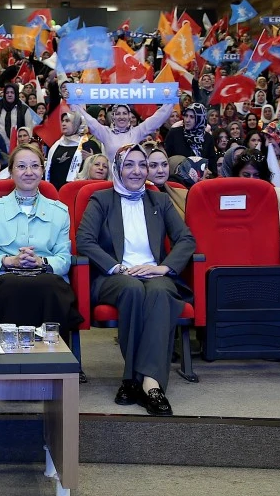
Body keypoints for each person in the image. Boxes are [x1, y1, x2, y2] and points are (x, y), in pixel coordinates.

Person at [77, 144, 195, 415]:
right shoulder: (101, 200)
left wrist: (164, 268)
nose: (137, 171)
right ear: (118, 168)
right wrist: (117, 268)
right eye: (129, 164)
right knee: (132, 289)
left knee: (160, 292)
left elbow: (186, 239)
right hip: (116, 276)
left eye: (143, 165)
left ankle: (147, 383)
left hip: (154, 273)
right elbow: (84, 240)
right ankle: (134, 378)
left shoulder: (159, 201)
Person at [0, 144, 82, 343]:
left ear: (42, 170)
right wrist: (11, 261)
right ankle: (13, 354)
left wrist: (42, 262)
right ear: (11, 171)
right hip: (4, 277)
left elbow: (64, 259)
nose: (28, 172)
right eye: (21, 166)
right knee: (15, 284)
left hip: (46, 276)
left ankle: (57, 356)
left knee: (50, 285)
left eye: (35, 166)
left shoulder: (59, 211)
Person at [79, 101, 173, 158]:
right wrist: (74, 103)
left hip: (133, 178)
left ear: (129, 117)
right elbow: (89, 120)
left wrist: (171, 101)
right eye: (118, 114)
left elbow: (157, 119)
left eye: (124, 113)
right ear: (113, 117)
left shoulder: (137, 132)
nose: (121, 117)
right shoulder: (105, 133)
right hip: (112, 180)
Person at [44, 110, 101, 190]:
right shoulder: (56, 145)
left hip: (77, 191)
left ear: (76, 123)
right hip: (54, 191)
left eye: (67, 121)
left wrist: (91, 160)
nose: (63, 123)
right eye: (62, 121)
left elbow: (100, 169)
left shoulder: (88, 144)